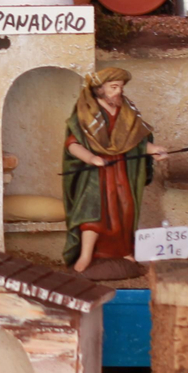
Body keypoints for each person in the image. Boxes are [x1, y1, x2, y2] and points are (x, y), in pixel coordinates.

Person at [62, 68, 165, 274]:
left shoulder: (126, 111)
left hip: (121, 171)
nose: (119, 92)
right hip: (94, 173)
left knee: (125, 210)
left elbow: (135, 143)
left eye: (121, 87)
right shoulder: (85, 113)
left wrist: (153, 150)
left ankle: (123, 252)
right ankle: (86, 255)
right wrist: (91, 158)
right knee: (92, 211)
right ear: (99, 89)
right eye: (114, 87)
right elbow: (72, 144)